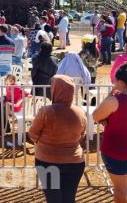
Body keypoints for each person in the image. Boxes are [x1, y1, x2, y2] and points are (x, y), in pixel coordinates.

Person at [93, 64, 127, 203]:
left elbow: (95, 116)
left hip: (115, 150)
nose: (113, 82)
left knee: (120, 188)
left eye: (115, 80)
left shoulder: (114, 100)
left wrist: (108, 98)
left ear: (121, 82)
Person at [29, 75, 86, 203]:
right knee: (69, 198)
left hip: (48, 161)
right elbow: (81, 135)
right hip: (75, 162)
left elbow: (33, 135)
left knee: (53, 199)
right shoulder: (80, 112)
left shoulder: (45, 111)